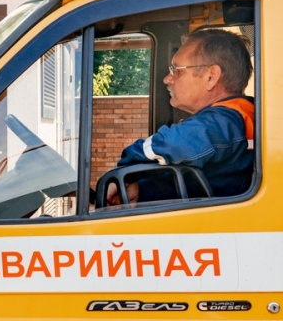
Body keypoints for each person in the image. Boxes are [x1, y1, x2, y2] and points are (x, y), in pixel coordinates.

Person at [105, 28, 254, 206]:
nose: (167, 79)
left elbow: (173, 144)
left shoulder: (224, 120)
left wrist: (127, 166)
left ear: (211, 77)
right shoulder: (238, 116)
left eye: (176, 70)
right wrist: (141, 189)